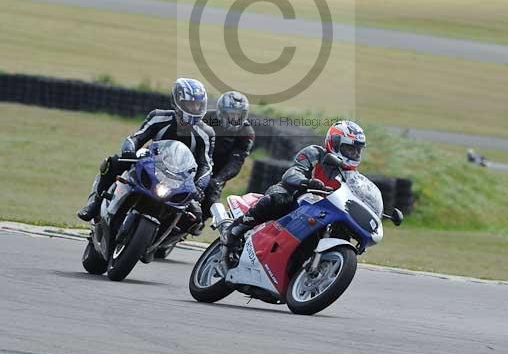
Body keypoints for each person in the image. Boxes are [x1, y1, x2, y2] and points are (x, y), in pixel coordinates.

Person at [77, 78, 214, 229]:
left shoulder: (206, 133)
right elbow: (136, 138)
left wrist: (199, 186)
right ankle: (94, 204)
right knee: (112, 163)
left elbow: (206, 165)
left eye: (198, 105)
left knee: (195, 220)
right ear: (177, 101)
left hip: (180, 179)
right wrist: (129, 150)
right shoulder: (158, 117)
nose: (194, 108)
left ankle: (168, 239)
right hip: (151, 166)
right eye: (190, 104)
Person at [223, 120, 366, 252]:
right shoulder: (315, 153)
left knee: (342, 230)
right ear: (334, 143)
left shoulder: (352, 176)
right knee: (279, 199)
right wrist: (307, 182)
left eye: (357, 150)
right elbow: (292, 173)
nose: (354, 153)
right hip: (295, 196)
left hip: (322, 211)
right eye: (350, 149)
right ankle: (235, 229)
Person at [202, 91, 255, 219]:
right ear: (222, 111)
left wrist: (218, 180)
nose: (234, 118)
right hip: (196, 162)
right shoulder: (206, 118)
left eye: (238, 115)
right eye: (231, 114)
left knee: (210, 201)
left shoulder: (247, 132)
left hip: (218, 171)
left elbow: (236, 162)